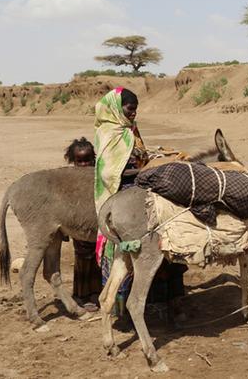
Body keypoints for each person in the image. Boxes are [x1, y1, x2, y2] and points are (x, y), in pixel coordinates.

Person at [94, 88, 187, 323]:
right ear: (116, 108)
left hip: (142, 187)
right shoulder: (108, 133)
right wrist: (149, 170)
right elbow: (110, 173)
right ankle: (123, 310)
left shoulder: (130, 130)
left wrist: (156, 162)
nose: (133, 113)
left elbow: (139, 157)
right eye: (129, 108)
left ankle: (164, 300)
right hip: (122, 194)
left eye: (135, 109)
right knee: (134, 251)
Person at [65, 138, 102, 312]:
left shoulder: (97, 174)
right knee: (83, 258)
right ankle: (81, 295)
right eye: (80, 161)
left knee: (99, 258)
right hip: (78, 225)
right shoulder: (69, 178)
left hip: (95, 223)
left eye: (87, 160)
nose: (84, 164)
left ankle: (97, 292)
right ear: (73, 161)